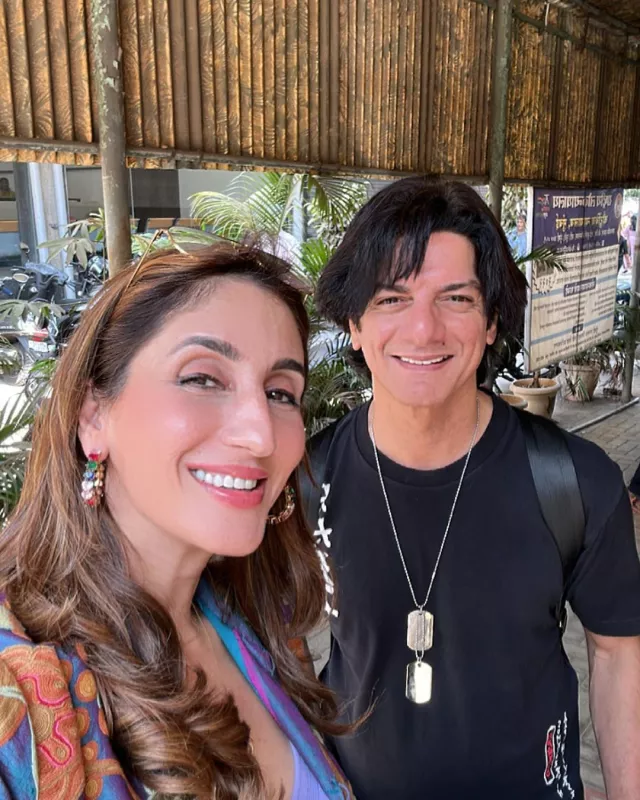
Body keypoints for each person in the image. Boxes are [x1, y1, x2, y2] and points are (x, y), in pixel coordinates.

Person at [305, 177, 640, 800]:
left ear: (490, 323)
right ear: (354, 323)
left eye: (456, 298)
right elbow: (276, 642)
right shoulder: (307, 479)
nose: (423, 329)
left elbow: (617, 651)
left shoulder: (575, 483)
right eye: (391, 298)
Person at [0, 244, 354, 799]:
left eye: (280, 393)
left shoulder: (255, 620)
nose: (260, 435)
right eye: (202, 379)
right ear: (93, 415)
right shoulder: (19, 679)